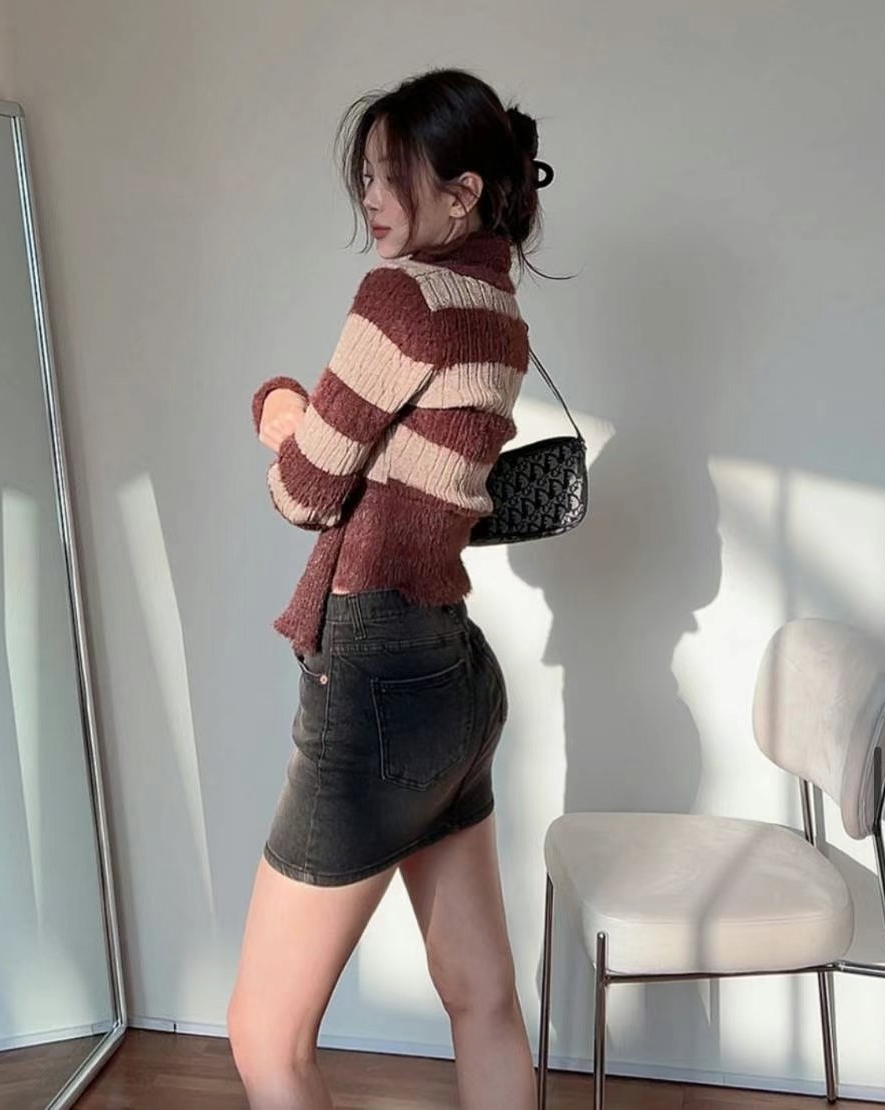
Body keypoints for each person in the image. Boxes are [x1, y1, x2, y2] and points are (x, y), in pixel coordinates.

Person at [228, 67, 552, 1110]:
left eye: (390, 175)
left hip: (374, 680)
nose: (369, 197)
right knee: (482, 997)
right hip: (454, 675)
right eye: (364, 175)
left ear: (462, 194)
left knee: (264, 1039)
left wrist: (281, 408)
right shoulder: (500, 312)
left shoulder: (401, 295)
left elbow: (306, 491)